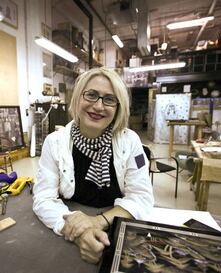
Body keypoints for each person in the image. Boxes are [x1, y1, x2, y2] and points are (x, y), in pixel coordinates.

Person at [32, 67, 154, 264]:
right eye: (91, 95)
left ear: (118, 107)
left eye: (109, 99)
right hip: (69, 232)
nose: (98, 106)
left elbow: (141, 198)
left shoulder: (130, 142)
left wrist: (96, 221)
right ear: (78, 98)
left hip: (118, 230)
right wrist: (81, 232)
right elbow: (43, 199)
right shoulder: (55, 143)